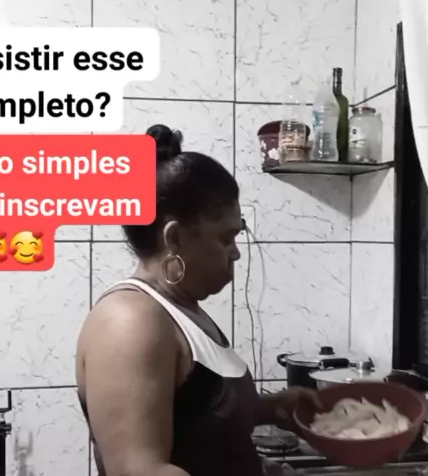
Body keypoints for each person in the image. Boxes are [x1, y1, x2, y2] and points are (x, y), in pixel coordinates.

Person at [75, 124, 320, 476]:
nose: (235, 253)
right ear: (175, 238)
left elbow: (193, 411)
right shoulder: (130, 321)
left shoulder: (182, 311)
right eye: (226, 239)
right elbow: (140, 470)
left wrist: (271, 408)